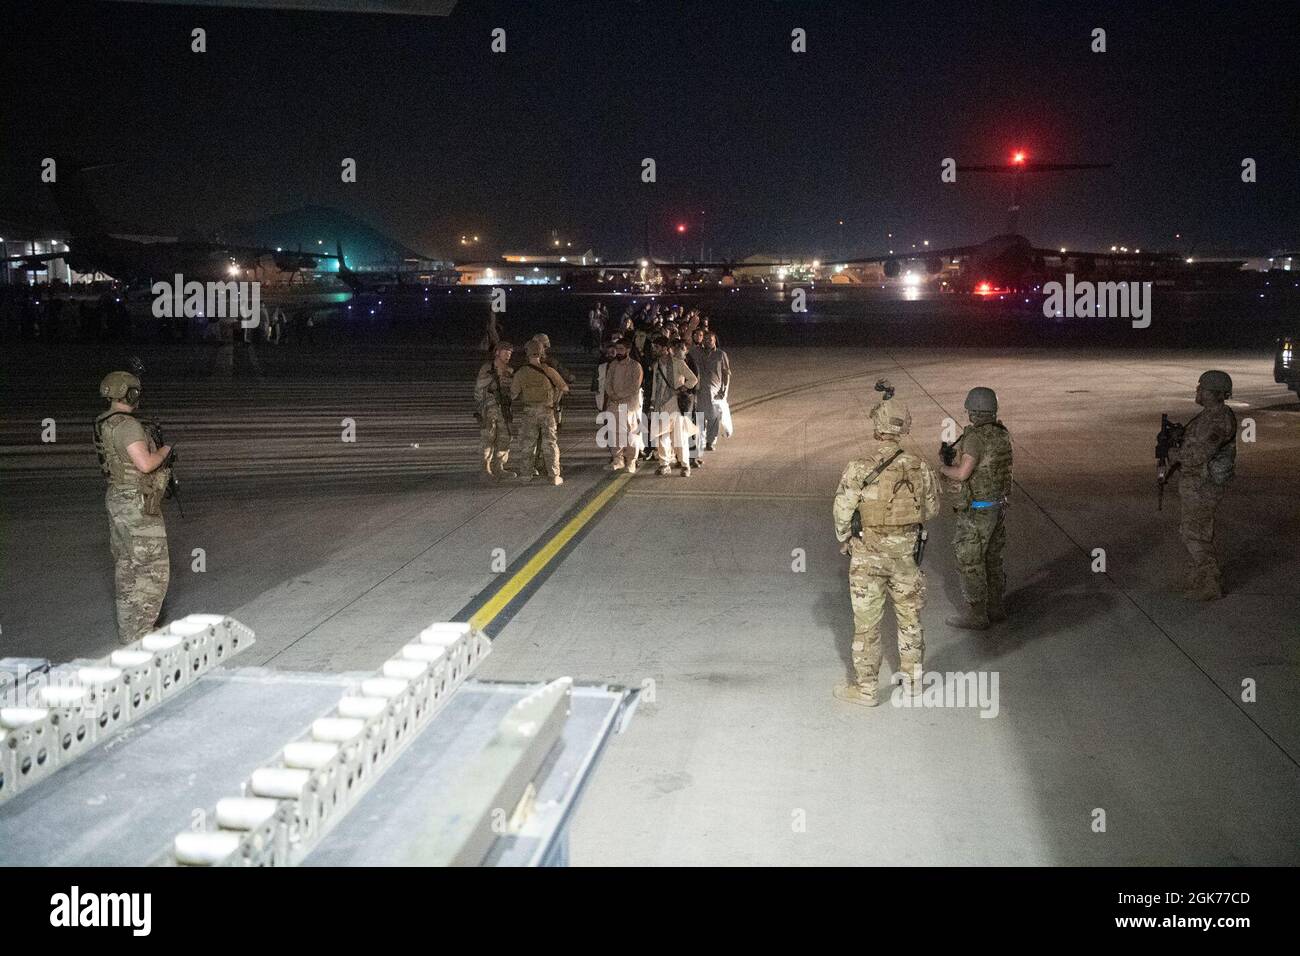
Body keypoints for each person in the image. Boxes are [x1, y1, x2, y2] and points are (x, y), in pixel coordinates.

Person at [832, 395, 940, 706]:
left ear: (877, 429)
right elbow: (931, 509)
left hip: (868, 555)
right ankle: (914, 683)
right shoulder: (921, 467)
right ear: (904, 428)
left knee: (867, 624)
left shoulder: (859, 467)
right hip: (906, 556)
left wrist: (845, 538)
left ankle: (866, 689)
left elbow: (842, 510)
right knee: (910, 619)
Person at [93, 371, 173, 644]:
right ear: (130, 393)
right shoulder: (128, 426)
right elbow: (146, 464)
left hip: (118, 498)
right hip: (136, 505)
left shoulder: (105, 422)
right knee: (153, 571)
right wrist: (165, 451)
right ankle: (142, 633)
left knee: (127, 567)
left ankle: (131, 633)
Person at [939, 387, 1013, 630]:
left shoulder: (974, 438)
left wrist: (942, 470)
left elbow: (962, 474)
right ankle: (996, 607)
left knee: (971, 561)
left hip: (977, 511)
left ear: (972, 411)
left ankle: (977, 614)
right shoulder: (1002, 434)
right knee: (993, 558)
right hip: (997, 506)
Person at [1167, 370, 1237, 600]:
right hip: (1196, 482)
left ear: (1214, 393)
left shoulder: (1218, 420)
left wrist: (1175, 454)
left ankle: (1209, 584)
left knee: (1195, 533)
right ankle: (1199, 577)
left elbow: (1200, 454)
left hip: (1203, 485)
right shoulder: (1208, 416)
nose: (1197, 391)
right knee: (1192, 531)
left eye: (1201, 388)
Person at [510, 339, 569, 484]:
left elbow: (513, 394)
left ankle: (525, 475)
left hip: (529, 412)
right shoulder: (548, 370)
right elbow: (564, 387)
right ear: (542, 352)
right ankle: (554, 475)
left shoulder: (521, 372)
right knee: (550, 444)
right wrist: (555, 399)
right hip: (547, 411)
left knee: (528, 444)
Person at [649, 336, 699, 477]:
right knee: (661, 435)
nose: (654, 349)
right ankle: (664, 464)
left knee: (679, 436)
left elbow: (693, 379)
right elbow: (655, 384)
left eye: (657, 347)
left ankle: (685, 465)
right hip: (660, 404)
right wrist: (653, 402)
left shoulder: (678, 363)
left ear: (665, 349)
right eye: (654, 347)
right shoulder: (657, 364)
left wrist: (683, 388)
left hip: (675, 403)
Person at [474, 341, 516, 479]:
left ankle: (499, 467)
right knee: (488, 439)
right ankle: (485, 469)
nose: (507, 356)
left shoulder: (510, 371)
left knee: (505, 438)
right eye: (505, 352)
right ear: (497, 352)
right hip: (489, 409)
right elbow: (479, 388)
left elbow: (513, 391)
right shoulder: (487, 368)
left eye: (509, 353)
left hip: (504, 410)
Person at [602, 337, 643, 472]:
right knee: (614, 432)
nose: (618, 352)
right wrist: (612, 395)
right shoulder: (613, 365)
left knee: (630, 434)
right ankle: (617, 459)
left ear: (628, 350)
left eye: (621, 349)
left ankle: (631, 461)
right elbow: (607, 382)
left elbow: (634, 387)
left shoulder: (635, 366)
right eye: (616, 349)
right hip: (614, 403)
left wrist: (619, 396)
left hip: (629, 405)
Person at [696, 331, 731, 451]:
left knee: (713, 416)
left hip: (715, 391)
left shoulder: (721, 355)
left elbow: (726, 373)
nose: (707, 342)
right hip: (700, 390)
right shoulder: (697, 353)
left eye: (709, 340)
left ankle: (710, 441)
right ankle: (700, 440)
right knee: (700, 416)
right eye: (705, 339)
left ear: (714, 341)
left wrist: (724, 390)